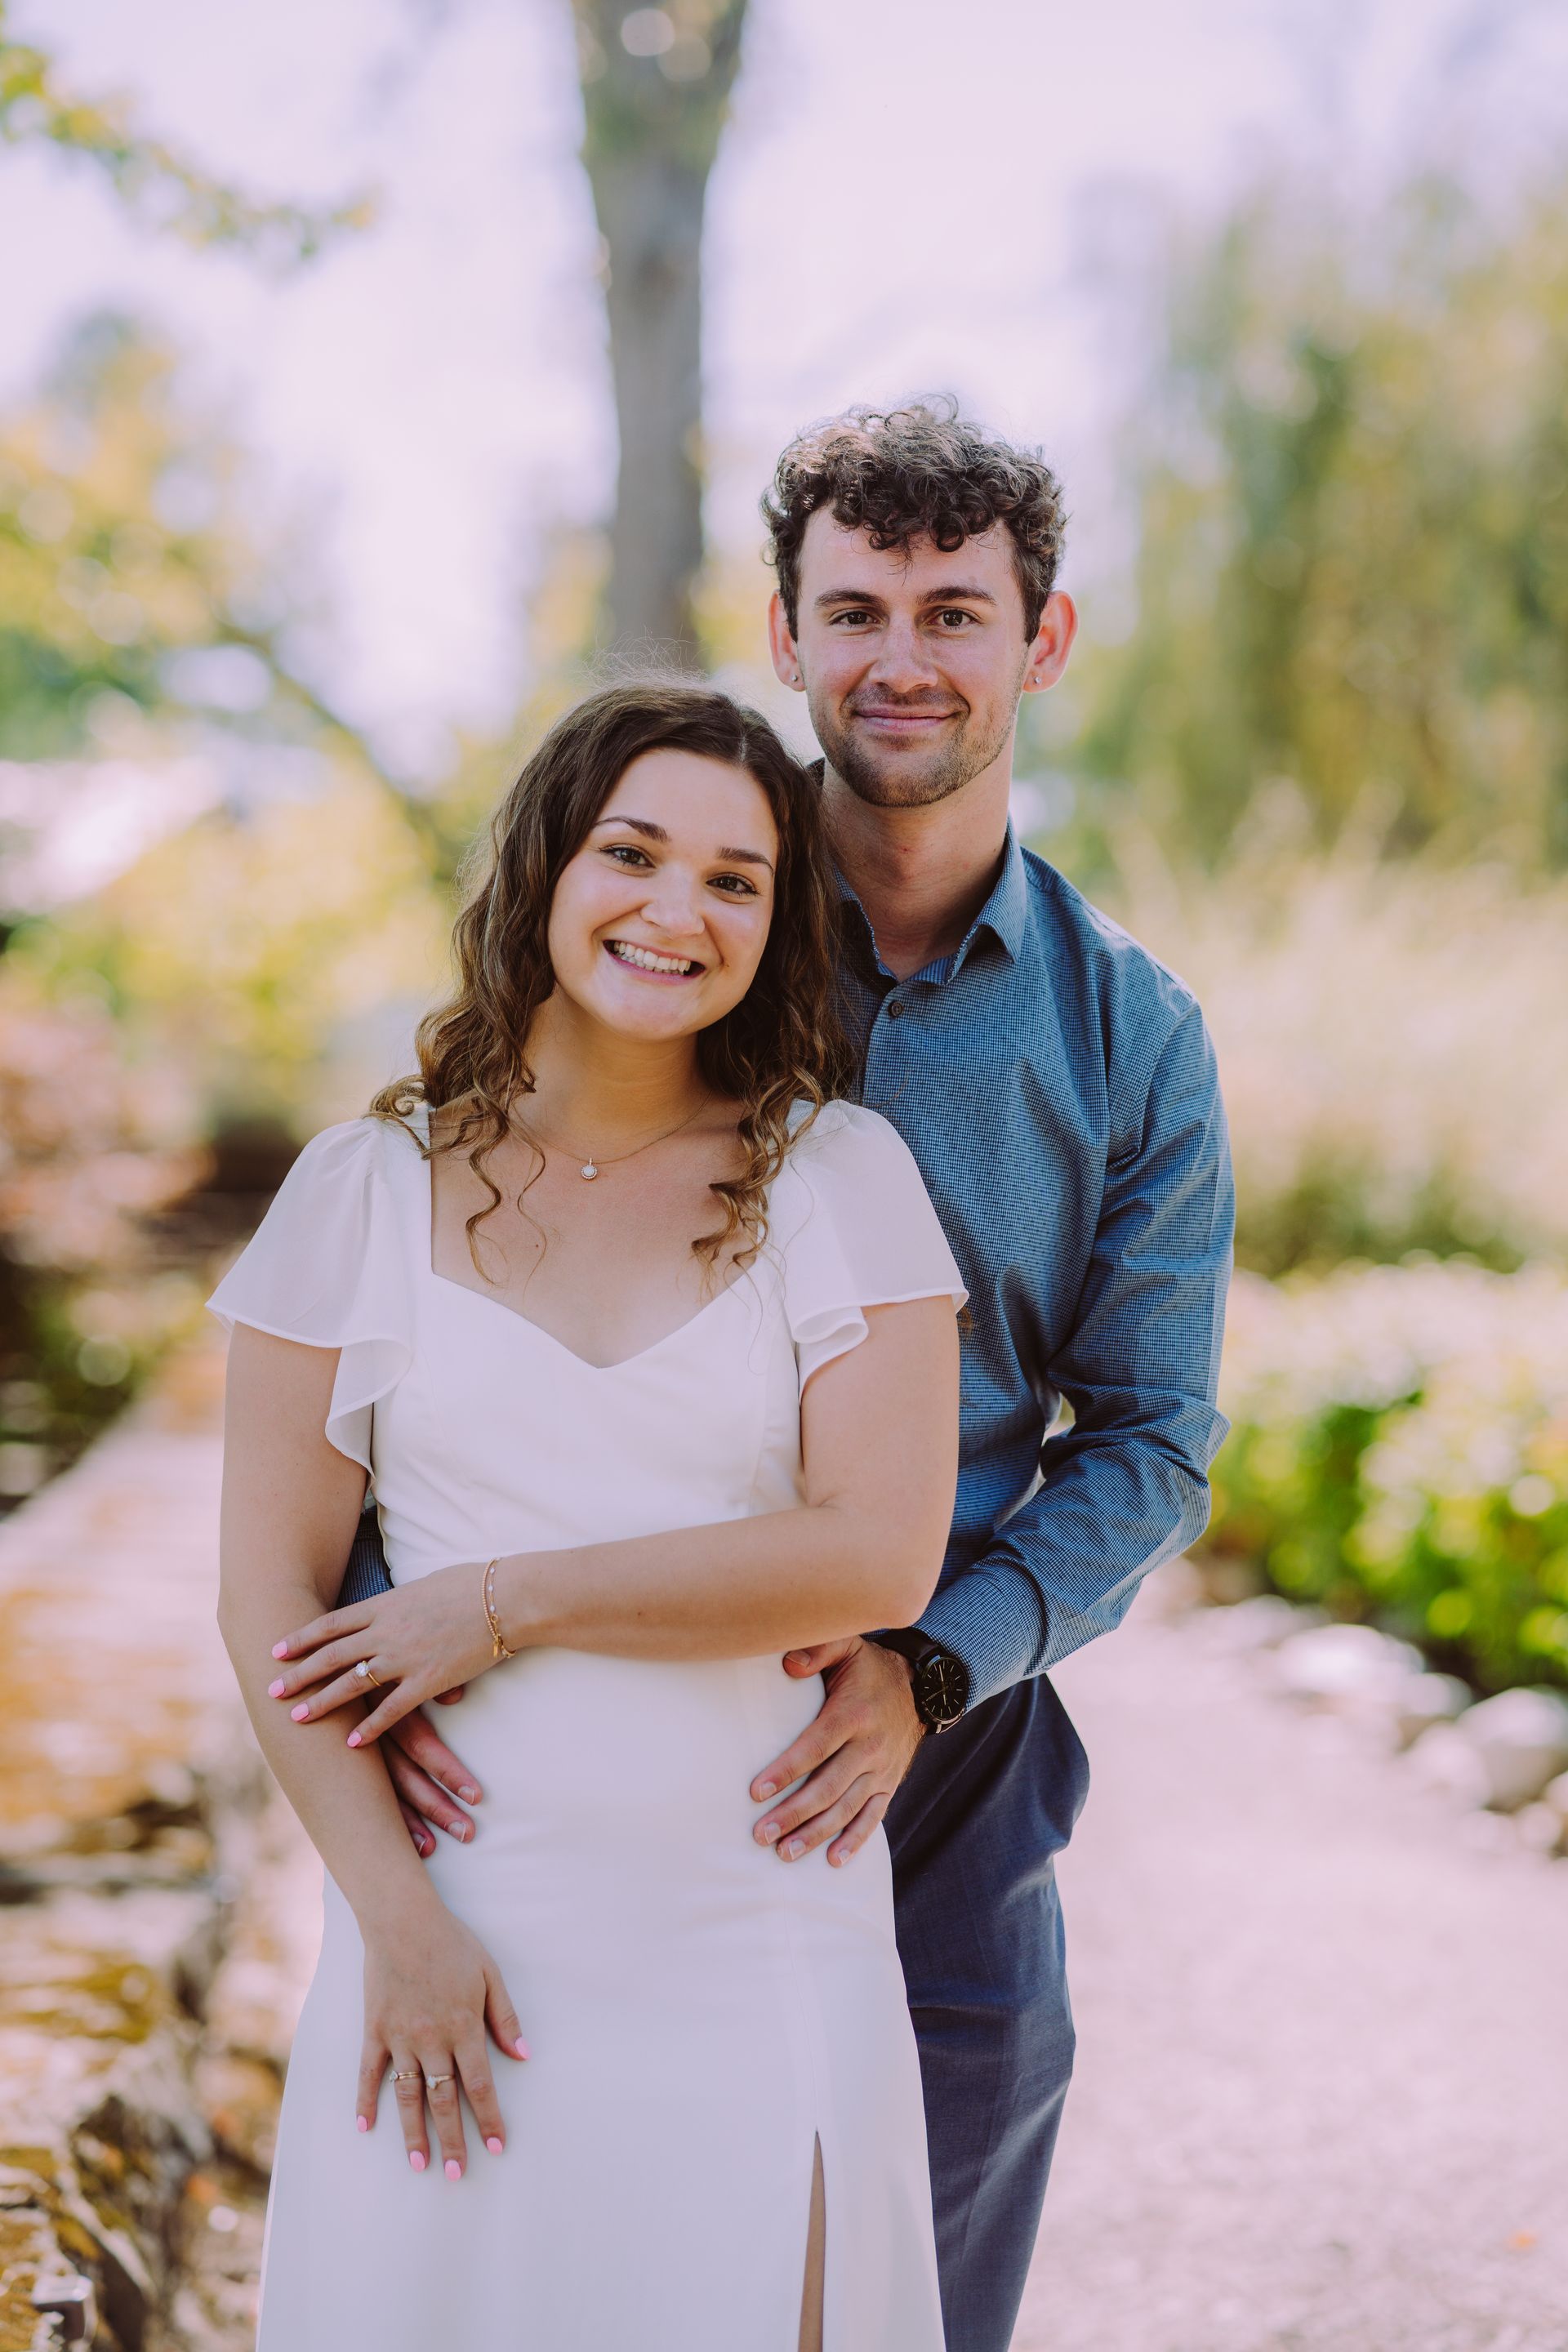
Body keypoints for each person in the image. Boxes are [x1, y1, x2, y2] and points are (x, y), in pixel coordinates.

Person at [345, 401, 1235, 2352]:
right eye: (856, 609)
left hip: (949, 1738)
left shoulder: (1134, 1037)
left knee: (914, 2272)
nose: (901, 659)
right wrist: (375, 1635)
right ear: (786, 632)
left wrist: (934, 1664)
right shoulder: (663, 928)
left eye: (953, 611)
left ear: (1045, 640)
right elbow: (423, 1284)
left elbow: (1155, 1439)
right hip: (573, 1746)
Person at [212, 680, 969, 2350]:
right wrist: (393, 1927)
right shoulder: (361, 1191)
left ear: (777, 930)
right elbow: (267, 1594)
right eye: (632, 852)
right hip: (457, 1932)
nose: (673, 910)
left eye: (735, 880)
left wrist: (492, 1603)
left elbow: (874, 1554)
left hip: (751, 1925)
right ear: (550, 865)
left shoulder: (840, 1180)